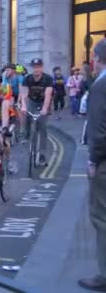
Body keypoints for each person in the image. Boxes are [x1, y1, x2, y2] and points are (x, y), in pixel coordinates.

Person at [80, 38, 106, 291]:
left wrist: (93, 160)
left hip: (105, 161)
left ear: (97, 59)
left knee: (101, 216)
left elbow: (99, 130)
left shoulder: (100, 85)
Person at [20, 58, 54, 167]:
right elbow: (24, 94)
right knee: (27, 116)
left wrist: (44, 109)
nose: (36, 69)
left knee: (42, 127)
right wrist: (24, 106)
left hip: (43, 103)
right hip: (32, 101)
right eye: (34, 67)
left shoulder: (47, 79)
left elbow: (48, 95)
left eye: (38, 67)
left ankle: (42, 155)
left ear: (42, 67)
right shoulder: (27, 79)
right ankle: (26, 135)